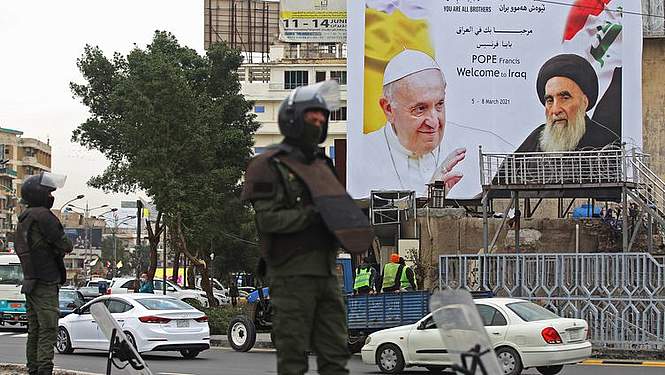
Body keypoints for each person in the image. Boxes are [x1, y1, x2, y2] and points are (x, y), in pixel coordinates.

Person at [241, 80, 373, 375]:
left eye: (323, 119)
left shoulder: (323, 165)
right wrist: (313, 216)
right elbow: (267, 220)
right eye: (312, 118)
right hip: (290, 274)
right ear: (292, 120)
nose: (319, 123)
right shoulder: (267, 165)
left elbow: (338, 209)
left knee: (335, 355)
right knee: (293, 358)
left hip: (327, 275)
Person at [362, 49, 466, 196]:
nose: (434, 122)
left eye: (439, 104)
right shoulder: (361, 153)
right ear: (389, 109)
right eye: (420, 109)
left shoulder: (483, 144)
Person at [15, 172, 73, 375]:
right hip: (45, 280)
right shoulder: (43, 216)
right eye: (49, 192)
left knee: (35, 331)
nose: (51, 195)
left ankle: (33, 369)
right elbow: (66, 244)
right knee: (48, 329)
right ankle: (44, 370)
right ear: (40, 195)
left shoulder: (23, 218)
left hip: (30, 281)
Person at [515, 54, 620, 153]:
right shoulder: (538, 138)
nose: (555, 110)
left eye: (565, 98)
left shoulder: (606, 143)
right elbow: (506, 171)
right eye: (550, 100)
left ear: (584, 102)